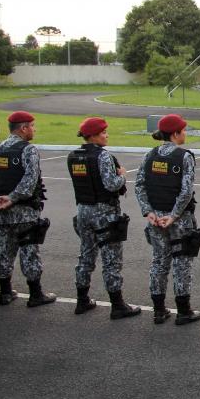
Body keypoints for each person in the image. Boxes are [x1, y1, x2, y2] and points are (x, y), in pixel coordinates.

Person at [0, 111, 56, 307]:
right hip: (24, 212)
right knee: (29, 252)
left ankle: (5, 293)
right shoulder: (28, 150)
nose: (34, 130)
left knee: (4, 251)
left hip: (2, 213)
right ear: (23, 128)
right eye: (32, 126)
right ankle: (36, 294)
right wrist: (11, 198)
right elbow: (30, 181)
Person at [67, 117, 141, 319]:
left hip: (83, 211)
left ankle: (82, 300)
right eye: (103, 132)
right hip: (104, 213)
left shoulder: (73, 156)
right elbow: (111, 184)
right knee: (111, 260)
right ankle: (117, 305)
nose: (106, 135)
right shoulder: (103, 156)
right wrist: (123, 175)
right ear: (92, 136)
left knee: (86, 256)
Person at [135, 114, 200, 326]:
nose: (185, 133)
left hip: (155, 219)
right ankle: (183, 311)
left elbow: (139, 186)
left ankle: (158, 310)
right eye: (183, 130)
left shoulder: (150, 155)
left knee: (159, 262)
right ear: (175, 134)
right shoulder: (184, 157)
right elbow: (185, 192)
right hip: (178, 221)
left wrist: (149, 212)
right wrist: (173, 216)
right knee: (181, 264)